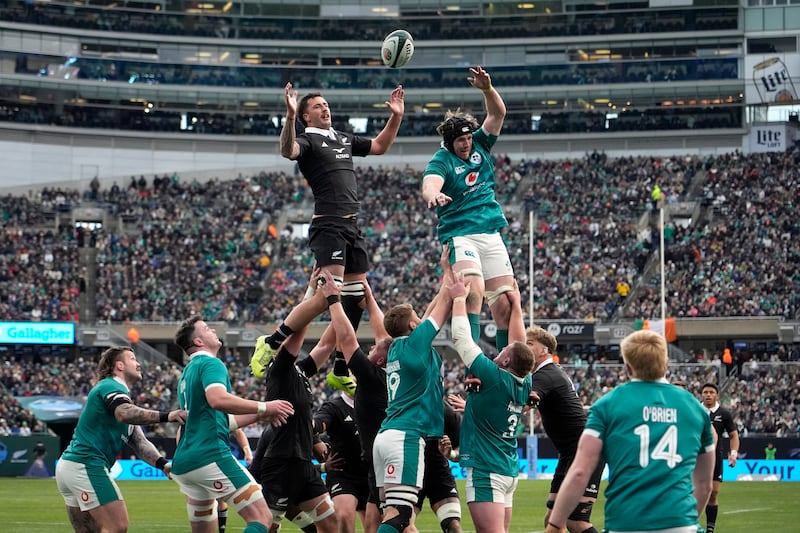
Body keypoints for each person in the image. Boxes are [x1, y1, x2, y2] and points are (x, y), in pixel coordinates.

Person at [250, 81, 405, 379]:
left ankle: (339, 368)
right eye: (318, 106)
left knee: (357, 295)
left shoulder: (342, 138)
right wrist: (290, 116)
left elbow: (380, 146)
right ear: (307, 116)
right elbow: (288, 150)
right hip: (329, 226)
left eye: (326, 104)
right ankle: (271, 341)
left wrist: (396, 116)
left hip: (351, 225)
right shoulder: (307, 139)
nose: (325, 108)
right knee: (326, 297)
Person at [545, 330, 715, 533]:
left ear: (627, 367)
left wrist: (555, 524)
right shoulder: (695, 408)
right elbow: (704, 484)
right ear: (666, 363)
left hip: (625, 522)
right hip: (681, 522)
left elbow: (580, 472)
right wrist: (684, 520)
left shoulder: (607, 404)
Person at [170, 317, 294, 533]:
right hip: (209, 456)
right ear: (199, 341)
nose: (214, 330)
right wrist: (264, 407)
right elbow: (217, 399)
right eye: (207, 329)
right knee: (262, 518)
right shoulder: (210, 363)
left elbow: (220, 421)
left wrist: (260, 415)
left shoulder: (187, 373)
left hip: (184, 463)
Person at [421, 66, 515, 351]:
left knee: (505, 305)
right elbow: (430, 182)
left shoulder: (480, 145)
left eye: (468, 138)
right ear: (449, 143)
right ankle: (472, 363)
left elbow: (498, 114)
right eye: (461, 141)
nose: (466, 143)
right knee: (472, 291)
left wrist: (487, 88)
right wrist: (433, 195)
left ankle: (503, 367)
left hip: (490, 232)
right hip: (461, 234)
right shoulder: (442, 160)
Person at [55, 346, 187, 533]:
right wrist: (168, 415)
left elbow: (140, 443)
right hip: (86, 464)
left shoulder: (118, 396)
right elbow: (124, 414)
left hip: (71, 466)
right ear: (119, 366)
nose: (139, 363)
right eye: (133, 359)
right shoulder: (111, 386)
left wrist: (163, 464)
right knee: (116, 526)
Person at [449, 273, 534, 533]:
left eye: (503, 352)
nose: (500, 351)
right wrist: (517, 307)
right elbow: (519, 343)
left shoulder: (494, 376)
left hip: (487, 469)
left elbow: (461, 339)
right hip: (506, 467)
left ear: (507, 361)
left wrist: (459, 300)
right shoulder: (525, 381)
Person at [372, 266, 454, 533]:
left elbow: (429, 312)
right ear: (412, 326)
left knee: (393, 514)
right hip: (405, 436)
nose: (422, 319)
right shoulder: (415, 345)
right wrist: (452, 279)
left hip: (386, 435)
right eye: (417, 318)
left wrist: (445, 275)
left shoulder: (397, 347)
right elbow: (440, 309)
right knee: (401, 516)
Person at [526, 325, 602, 533]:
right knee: (552, 518)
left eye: (530, 343)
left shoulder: (545, 374)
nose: (525, 347)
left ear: (544, 351)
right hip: (571, 452)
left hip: (586, 451)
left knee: (576, 522)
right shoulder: (548, 373)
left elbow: (522, 405)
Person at [313, 387, 369, 533]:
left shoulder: (375, 403)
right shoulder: (333, 407)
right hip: (343, 474)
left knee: (374, 527)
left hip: (372, 473)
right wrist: (312, 425)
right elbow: (318, 423)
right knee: (344, 514)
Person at [700, 382, 740, 533]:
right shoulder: (694, 410)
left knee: (714, 493)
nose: (708, 395)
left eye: (711, 392)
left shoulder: (724, 414)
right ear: (701, 395)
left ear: (717, 395)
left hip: (716, 458)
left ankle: (710, 529)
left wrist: (734, 454)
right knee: (693, 492)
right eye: (705, 392)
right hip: (696, 458)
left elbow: (733, 435)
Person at [217, 428, 254, 533]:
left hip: (220, 458)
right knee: (207, 501)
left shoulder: (223, 413)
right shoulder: (192, 414)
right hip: (200, 460)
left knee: (219, 498)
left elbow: (238, 430)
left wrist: (247, 451)